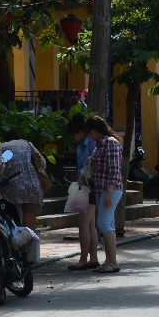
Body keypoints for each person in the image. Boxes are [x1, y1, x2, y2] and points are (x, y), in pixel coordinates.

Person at [86, 115, 123, 273]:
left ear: (94, 131)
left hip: (110, 189)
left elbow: (113, 169)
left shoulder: (110, 143)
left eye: (90, 133)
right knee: (106, 224)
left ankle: (113, 262)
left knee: (103, 224)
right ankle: (108, 261)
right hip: (102, 189)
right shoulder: (99, 146)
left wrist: (108, 192)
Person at [67, 113, 100, 271]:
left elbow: (89, 167)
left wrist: (82, 178)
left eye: (74, 135)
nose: (74, 138)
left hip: (88, 187)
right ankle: (93, 258)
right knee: (91, 225)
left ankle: (83, 259)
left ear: (80, 132)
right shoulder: (83, 145)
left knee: (83, 224)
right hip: (89, 187)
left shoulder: (89, 145)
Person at [0, 130, 45, 229]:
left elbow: (1, 169)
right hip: (33, 186)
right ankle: (29, 242)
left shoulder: (2, 147)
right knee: (29, 225)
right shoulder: (28, 144)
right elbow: (43, 163)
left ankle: (18, 242)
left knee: (16, 220)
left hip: (13, 188)